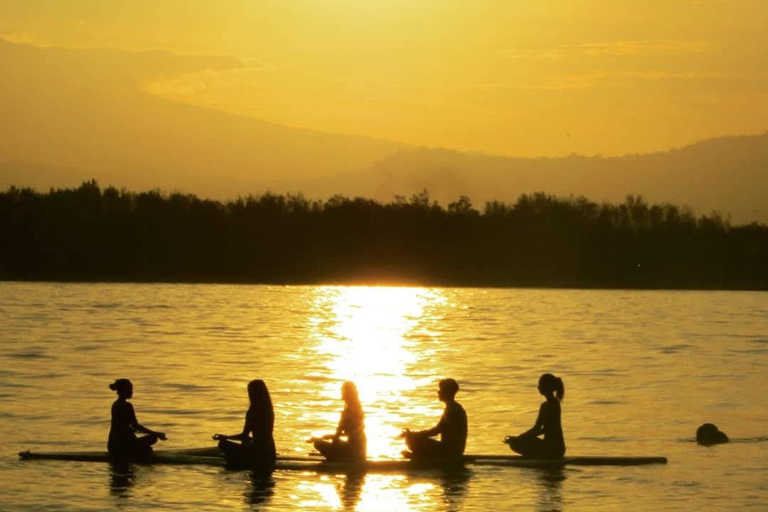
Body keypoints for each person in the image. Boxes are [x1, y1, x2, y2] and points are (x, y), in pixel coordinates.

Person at [213, 379, 277, 469]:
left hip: (257, 452)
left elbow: (244, 435)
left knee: (223, 444)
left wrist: (225, 437)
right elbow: (263, 435)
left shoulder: (252, 412)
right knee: (246, 442)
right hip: (270, 450)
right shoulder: (269, 410)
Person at [400, 378, 467, 460]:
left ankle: (420, 457)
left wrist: (413, 435)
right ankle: (421, 456)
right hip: (454, 451)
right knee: (413, 437)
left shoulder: (452, 410)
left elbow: (435, 431)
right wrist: (415, 434)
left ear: (447, 392)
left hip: (450, 452)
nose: (438, 392)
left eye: (440, 389)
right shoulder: (454, 407)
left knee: (412, 439)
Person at [504, 373, 566, 459]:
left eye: (540, 385)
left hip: (553, 449)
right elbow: (540, 429)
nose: (538, 387)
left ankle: (537, 457)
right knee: (519, 441)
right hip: (557, 449)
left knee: (515, 444)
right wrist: (520, 437)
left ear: (546, 387)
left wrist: (519, 438)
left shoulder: (551, 405)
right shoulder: (550, 404)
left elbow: (538, 429)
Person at [107, 379, 166, 461]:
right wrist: (156, 434)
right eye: (130, 390)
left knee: (149, 439)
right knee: (153, 438)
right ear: (124, 391)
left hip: (112, 446)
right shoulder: (127, 406)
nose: (132, 392)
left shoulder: (115, 404)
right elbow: (136, 426)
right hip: (122, 446)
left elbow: (129, 428)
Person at [312, 381, 367, 462]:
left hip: (355, 453)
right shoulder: (355, 409)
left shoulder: (351, 411)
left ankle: (338, 460)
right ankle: (339, 458)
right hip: (358, 451)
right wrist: (327, 437)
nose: (341, 393)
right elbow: (346, 433)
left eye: (343, 391)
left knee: (318, 443)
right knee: (333, 441)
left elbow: (349, 434)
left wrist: (327, 437)